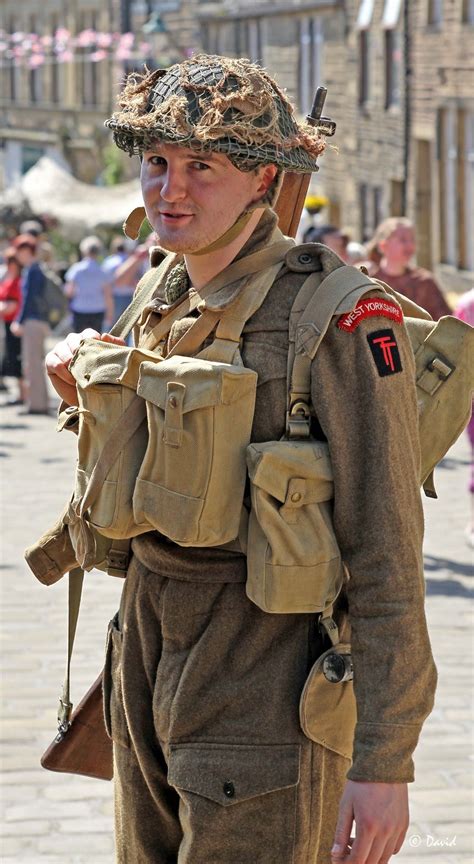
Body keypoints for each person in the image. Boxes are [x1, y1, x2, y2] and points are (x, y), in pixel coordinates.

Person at [45, 54, 436, 864]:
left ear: (263, 178)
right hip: (145, 645)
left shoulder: (337, 315)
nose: (170, 190)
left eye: (202, 166)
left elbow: (388, 546)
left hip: (265, 673)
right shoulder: (163, 290)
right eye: (156, 162)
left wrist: (384, 759)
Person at [369, 218, 451, 320]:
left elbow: (446, 322)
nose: (410, 245)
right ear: (383, 246)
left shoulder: (424, 282)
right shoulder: (369, 282)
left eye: (412, 240)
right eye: (403, 240)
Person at [11, 234, 50, 415]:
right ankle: (39, 402)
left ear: (26, 250)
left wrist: (19, 320)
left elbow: (28, 300)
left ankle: (37, 405)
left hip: (32, 322)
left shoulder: (32, 270)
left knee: (32, 363)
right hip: (39, 321)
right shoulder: (37, 269)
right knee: (36, 363)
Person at [64, 236, 113, 333]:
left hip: (80, 308)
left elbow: (69, 291)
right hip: (98, 310)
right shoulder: (102, 271)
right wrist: (110, 315)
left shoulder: (76, 269)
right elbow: (108, 295)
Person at [0, 247, 26, 405]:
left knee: (17, 359)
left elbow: (13, 305)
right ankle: (20, 393)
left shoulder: (17, 281)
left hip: (15, 324)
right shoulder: (9, 278)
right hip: (7, 323)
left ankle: (23, 395)